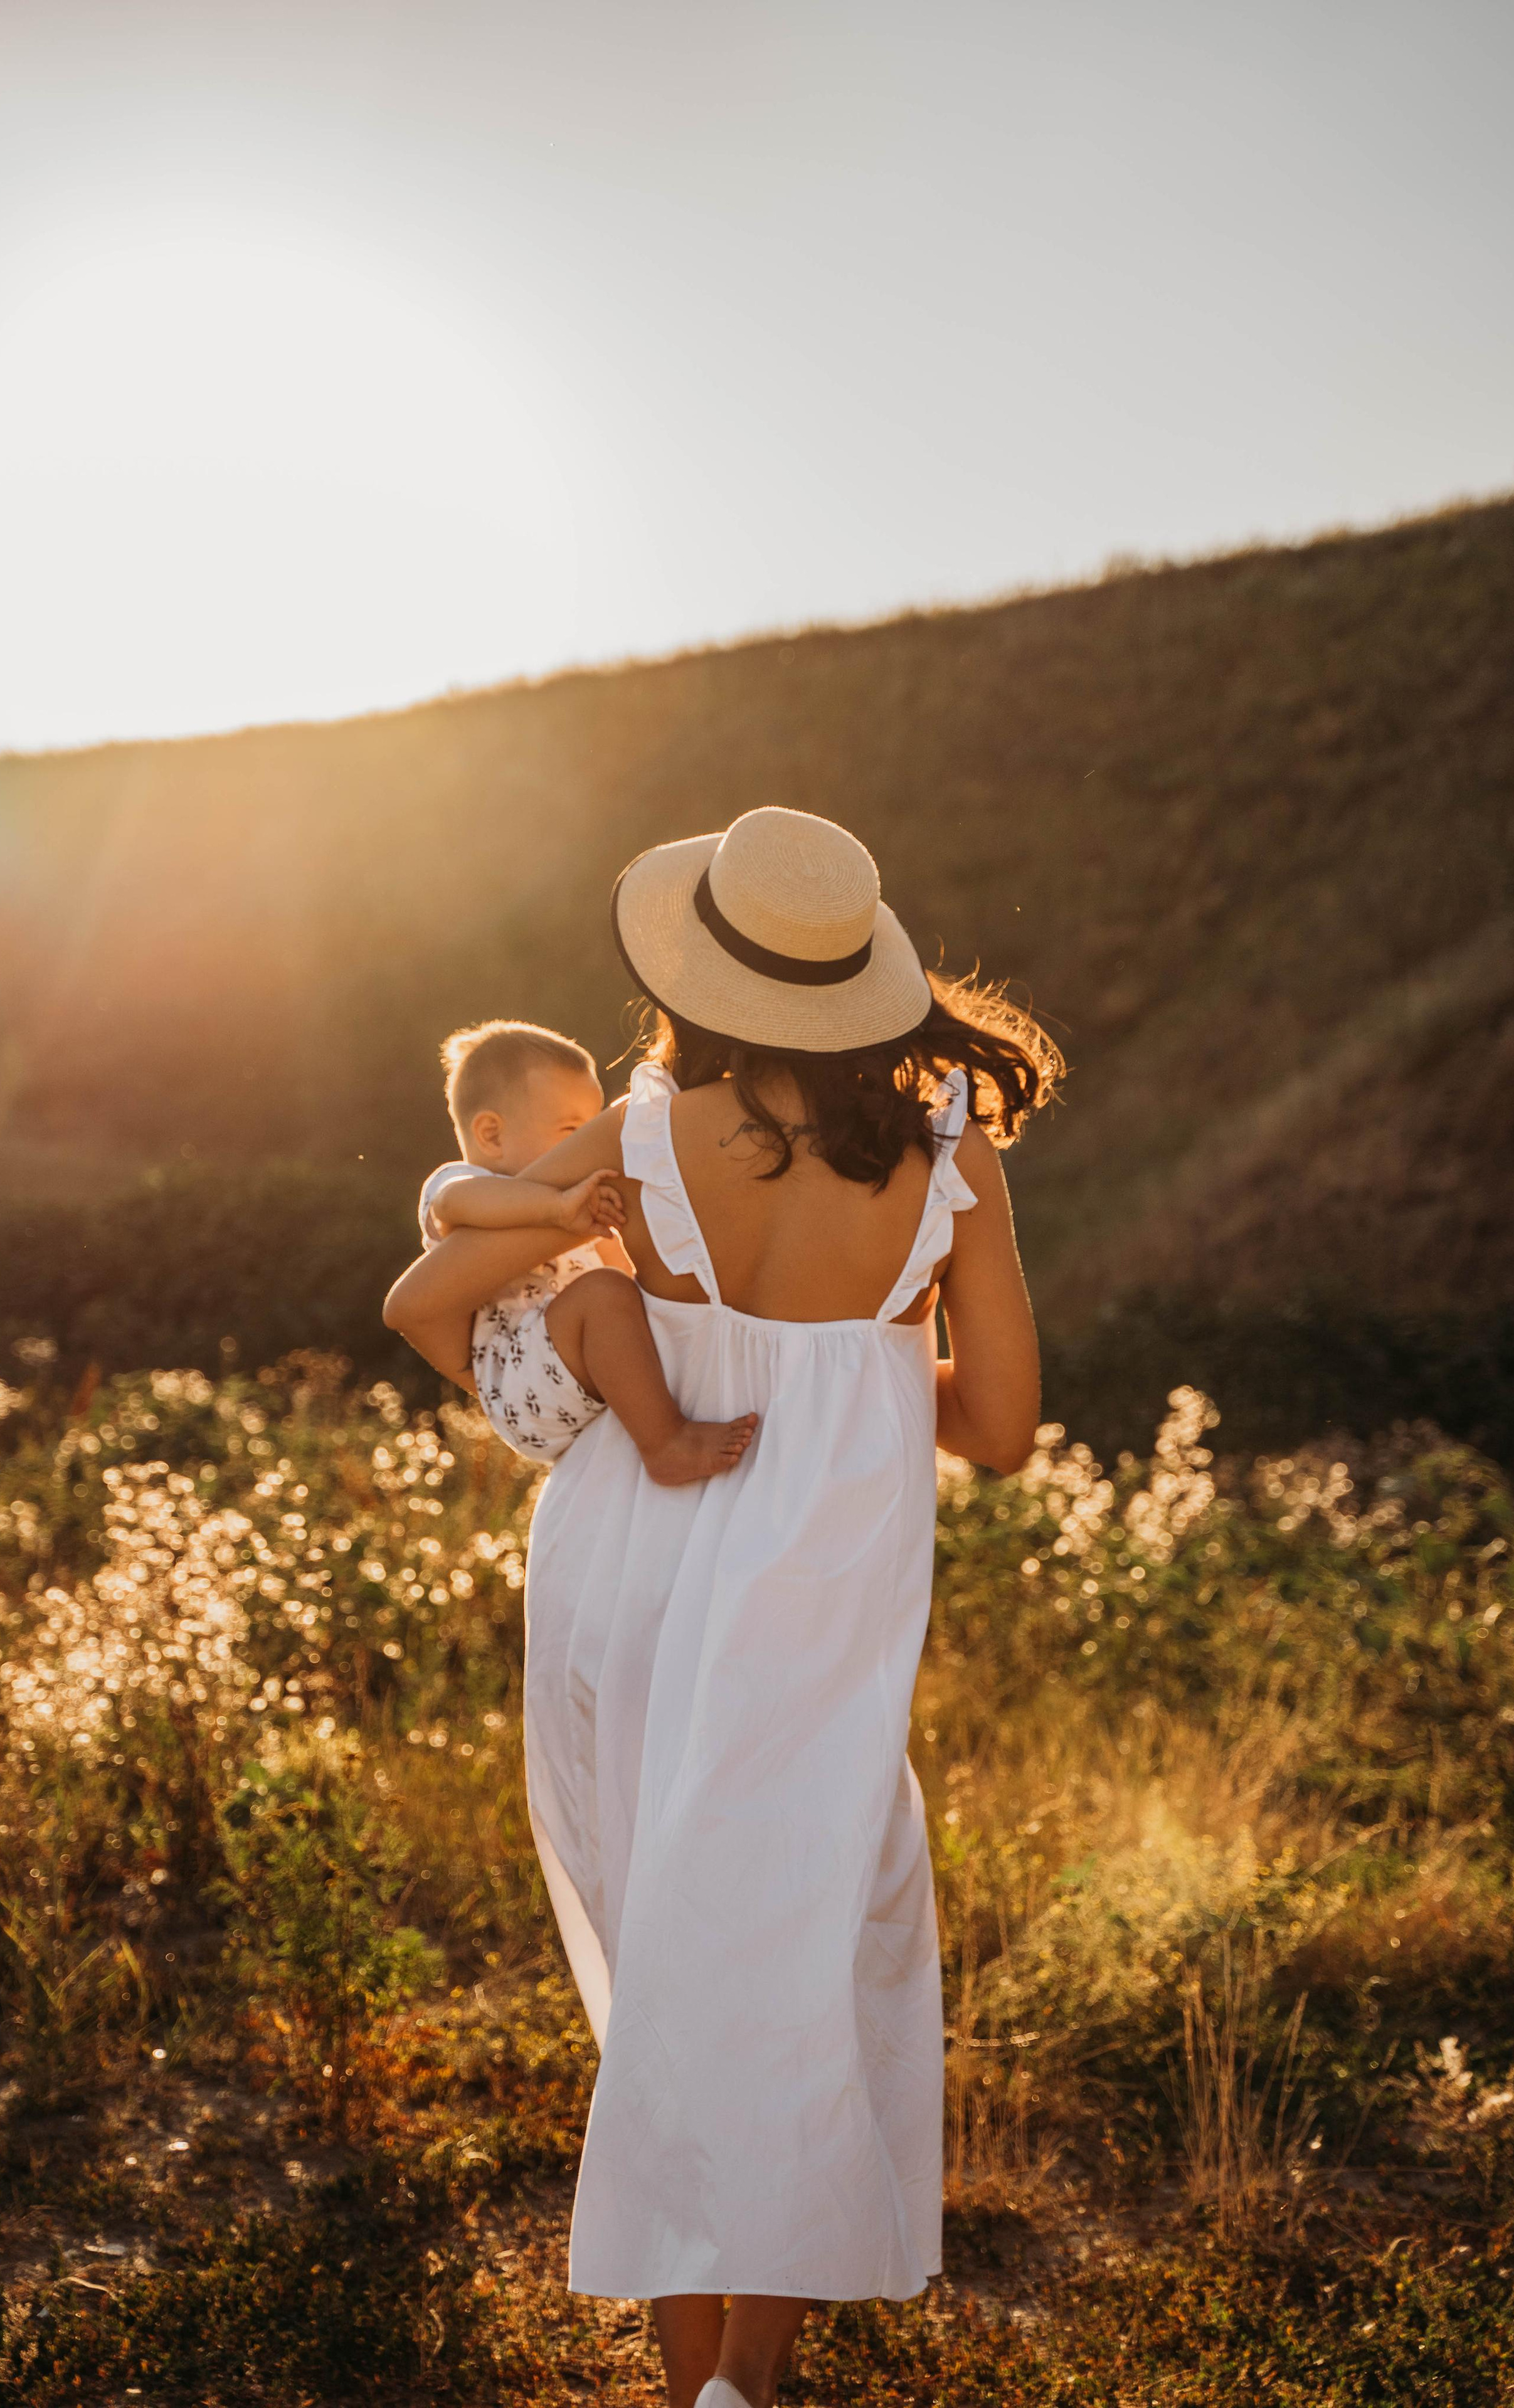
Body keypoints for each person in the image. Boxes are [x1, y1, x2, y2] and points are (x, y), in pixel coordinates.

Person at [384, 807, 1059, 2408]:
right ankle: (744, 2379)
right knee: (808, 1950)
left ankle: (694, 2371)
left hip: (628, 1558)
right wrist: (863, 1368)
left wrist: (610, 1266)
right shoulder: (953, 1149)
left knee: (667, 1949)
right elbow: (1003, 1432)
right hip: (812, 1608)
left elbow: (457, 1243)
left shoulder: (638, 1132)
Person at [416, 1018, 756, 1482]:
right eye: (571, 1130)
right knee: (604, 1293)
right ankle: (666, 1445)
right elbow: (451, 1206)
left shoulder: (566, 1205)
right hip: (521, 1380)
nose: (585, 1144)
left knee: (627, 1293)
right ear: (491, 1136)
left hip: (566, 1361)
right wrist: (556, 1208)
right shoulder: (464, 1183)